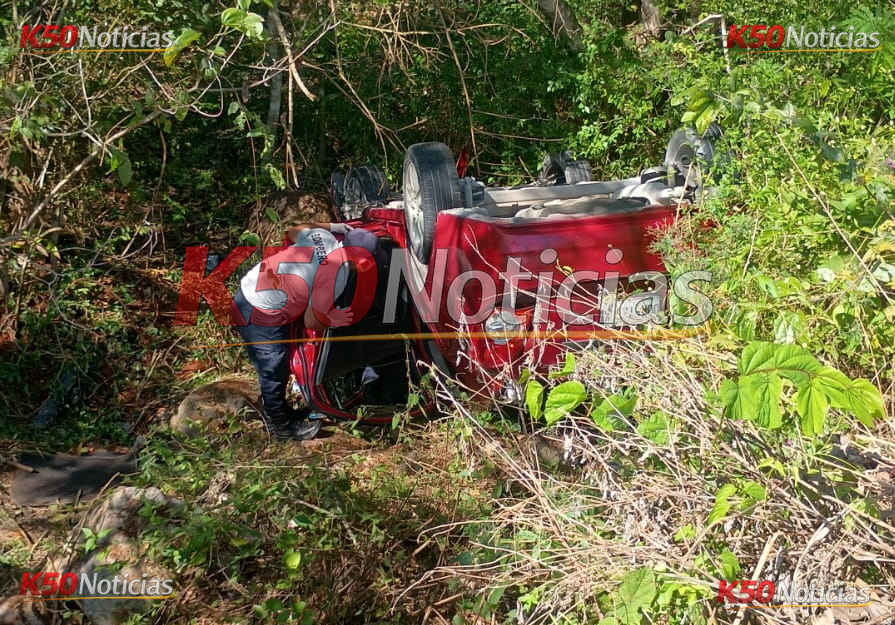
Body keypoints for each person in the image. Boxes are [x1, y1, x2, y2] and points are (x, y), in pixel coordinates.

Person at [231, 221, 384, 440]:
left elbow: (292, 230)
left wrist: (332, 226)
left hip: (253, 287)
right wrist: (334, 319)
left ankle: (281, 411)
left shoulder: (323, 237)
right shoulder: (335, 277)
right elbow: (312, 322)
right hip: (258, 308)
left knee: (276, 365)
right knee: (274, 367)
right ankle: (280, 427)